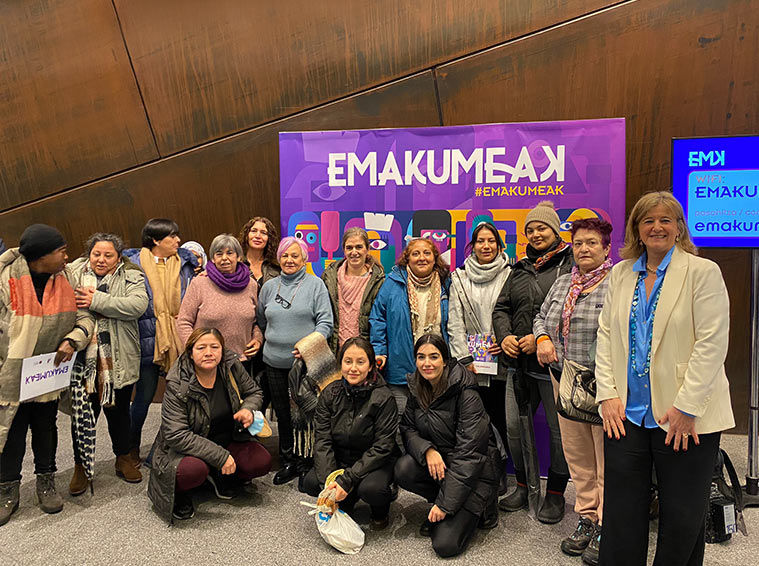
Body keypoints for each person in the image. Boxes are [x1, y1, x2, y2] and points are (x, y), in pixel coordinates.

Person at [595, 192, 734, 566]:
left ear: (679, 228)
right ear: (637, 229)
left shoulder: (702, 272)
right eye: (648, 220)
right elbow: (605, 335)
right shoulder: (621, 273)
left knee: (682, 515)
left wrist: (688, 407)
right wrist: (607, 394)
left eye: (665, 220)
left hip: (683, 413)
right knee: (622, 513)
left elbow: (712, 344)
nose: (656, 227)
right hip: (626, 413)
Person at [0, 224, 95, 526]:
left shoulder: (67, 278)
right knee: (12, 433)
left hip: (48, 373)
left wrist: (73, 340)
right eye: (61, 251)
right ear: (41, 257)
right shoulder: (5, 279)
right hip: (11, 374)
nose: (67, 257)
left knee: (45, 428)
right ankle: (7, 490)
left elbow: (85, 317)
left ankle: (46, 482)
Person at [533, 218, 613, 565]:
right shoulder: (564, 281)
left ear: (606, 248)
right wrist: (542, 337)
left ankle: (608, 525)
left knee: (605, 459)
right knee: (578, 457)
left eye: (592, 243)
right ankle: (587, 517)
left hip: (601, 386)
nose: (584, 249)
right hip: (563, 380)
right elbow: (540, 316)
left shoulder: (617, 283)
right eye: (578, 243)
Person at [493, 200, 572, 523]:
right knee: (514, 428)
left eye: (542, 228)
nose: (536, 234)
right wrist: (505, 337)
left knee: (558, 433)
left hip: (554, 367)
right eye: (531, 229)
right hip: (518, 366)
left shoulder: (570, 266)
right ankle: (524, 486)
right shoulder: (520, 268)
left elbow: (571, 314)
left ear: (555, 230)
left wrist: (540, 339)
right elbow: (502, 308)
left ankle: (555, 493)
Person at [395, 334, 503, 558]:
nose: (427, 363)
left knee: (445, 545)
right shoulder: (417, 386)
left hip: (475, 472)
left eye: (434, 357)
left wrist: (445, 505)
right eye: (421, 357)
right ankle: (447, 505)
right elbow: (407, 428)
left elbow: (469, 455)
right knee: (403, 468)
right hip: (444, 464)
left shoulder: (466, 390)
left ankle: (484, 506)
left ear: (445, 360)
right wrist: (427, 450)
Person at [147, 327, 271, 522]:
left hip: (227, 437)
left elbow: (254, 392)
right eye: (201, 348)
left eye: (215, 347)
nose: (208, 353)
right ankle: (180, 493)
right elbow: (176, 435)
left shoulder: (230, 366)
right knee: (191, 471)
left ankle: (219, 475)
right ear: (190, 352)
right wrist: (221, 456)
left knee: (260, 461)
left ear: (222, 350)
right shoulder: (178, 382)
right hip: (187, 448)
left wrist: (248, 409)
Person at [66, 233, 149, 494]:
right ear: (89, 254)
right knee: (82, 415)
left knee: (119, 412)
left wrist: (96, 301)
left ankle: (122, 458)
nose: (101, 260)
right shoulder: (73, 272)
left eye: (108, 255)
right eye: (96, 254)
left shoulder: (131, 273)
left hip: (119, 357)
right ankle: (81, 466)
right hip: (82, 359)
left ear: (118, 257)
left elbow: (137, 305)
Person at [257, 237, 333, 485]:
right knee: (282, 413)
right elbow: (262, 320)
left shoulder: (315, 285)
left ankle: (307, 463)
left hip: (305, 364)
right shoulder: (269, 286)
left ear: (304, 259)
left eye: (294, 256)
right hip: (274, 362)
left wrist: (307, 346)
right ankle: (288, 460)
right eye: (285, 255)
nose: (289, 260)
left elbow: (326, 323)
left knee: (306, 414)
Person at [302, 337, 399, 530]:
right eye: (348, 361)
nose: (353, 368)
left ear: (370, 366)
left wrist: (347, 480)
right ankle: (346, 498)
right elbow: (322, 441)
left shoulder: (384, 398)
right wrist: (330, 483)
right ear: (341, 364)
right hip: (342, 459)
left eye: (360, 362)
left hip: (374, 463)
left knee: (372, 489)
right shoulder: (329, 394)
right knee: (311, 482)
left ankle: (380, 511)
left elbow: (382, 447)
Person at [123, 218, 197, 465]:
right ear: (155, 240)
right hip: (146, 340)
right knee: (143, 399)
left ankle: (163, 449)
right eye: (172, 236)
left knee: (179, 400)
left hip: (178, 341)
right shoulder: (133, 266)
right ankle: (130, 448)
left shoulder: (185, 264)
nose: (178, 240)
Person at [447, 221, 511, 477]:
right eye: (480, 241)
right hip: (472, 364)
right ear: (472, 246)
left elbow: (515, 313)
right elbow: (455, 321)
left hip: (503, 361)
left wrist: (505, 340)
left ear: (499, 245)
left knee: (501, 419)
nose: (486, 246)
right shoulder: (459, 278)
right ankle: (480, 473)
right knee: (474, 422)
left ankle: (500, 473)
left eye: (491, 241)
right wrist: (465, 359)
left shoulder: (511, 274)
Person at [369, 237, 450, 417]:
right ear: (407, 259)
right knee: (402, 421)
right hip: (401, 370)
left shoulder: (447, 283)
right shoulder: (392, 283)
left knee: (436, 422)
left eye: (427, 253)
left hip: (437, 371)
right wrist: (379, 351)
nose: (422, 258)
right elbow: (378, 319)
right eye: (416, 254)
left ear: (435, 258)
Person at [177, 234, 263, 361]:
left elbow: (256, 321)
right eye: (219, 254)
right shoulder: (199, 283)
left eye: (230, 253)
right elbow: (183, 322)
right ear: (212, 258)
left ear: (238, 257)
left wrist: (257, 339)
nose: (224, 258)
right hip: (207, 362)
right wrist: (196, 349)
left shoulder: (251, 285)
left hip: (242, 361)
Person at [321, 227, 385, 354]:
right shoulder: (329, 277)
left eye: (359, 247)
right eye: (349, 248)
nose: (354, 252)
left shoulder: (379, 281)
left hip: (364, 352)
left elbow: (380, 322)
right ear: (344, 250)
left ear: (367, 249)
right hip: (334, 351)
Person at [239, 216, 281, 289]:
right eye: (254, 231)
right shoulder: (237, 263)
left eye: (263, 233)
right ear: (247, 235)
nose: (258, 236)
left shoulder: (276, 267)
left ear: (269, 238)